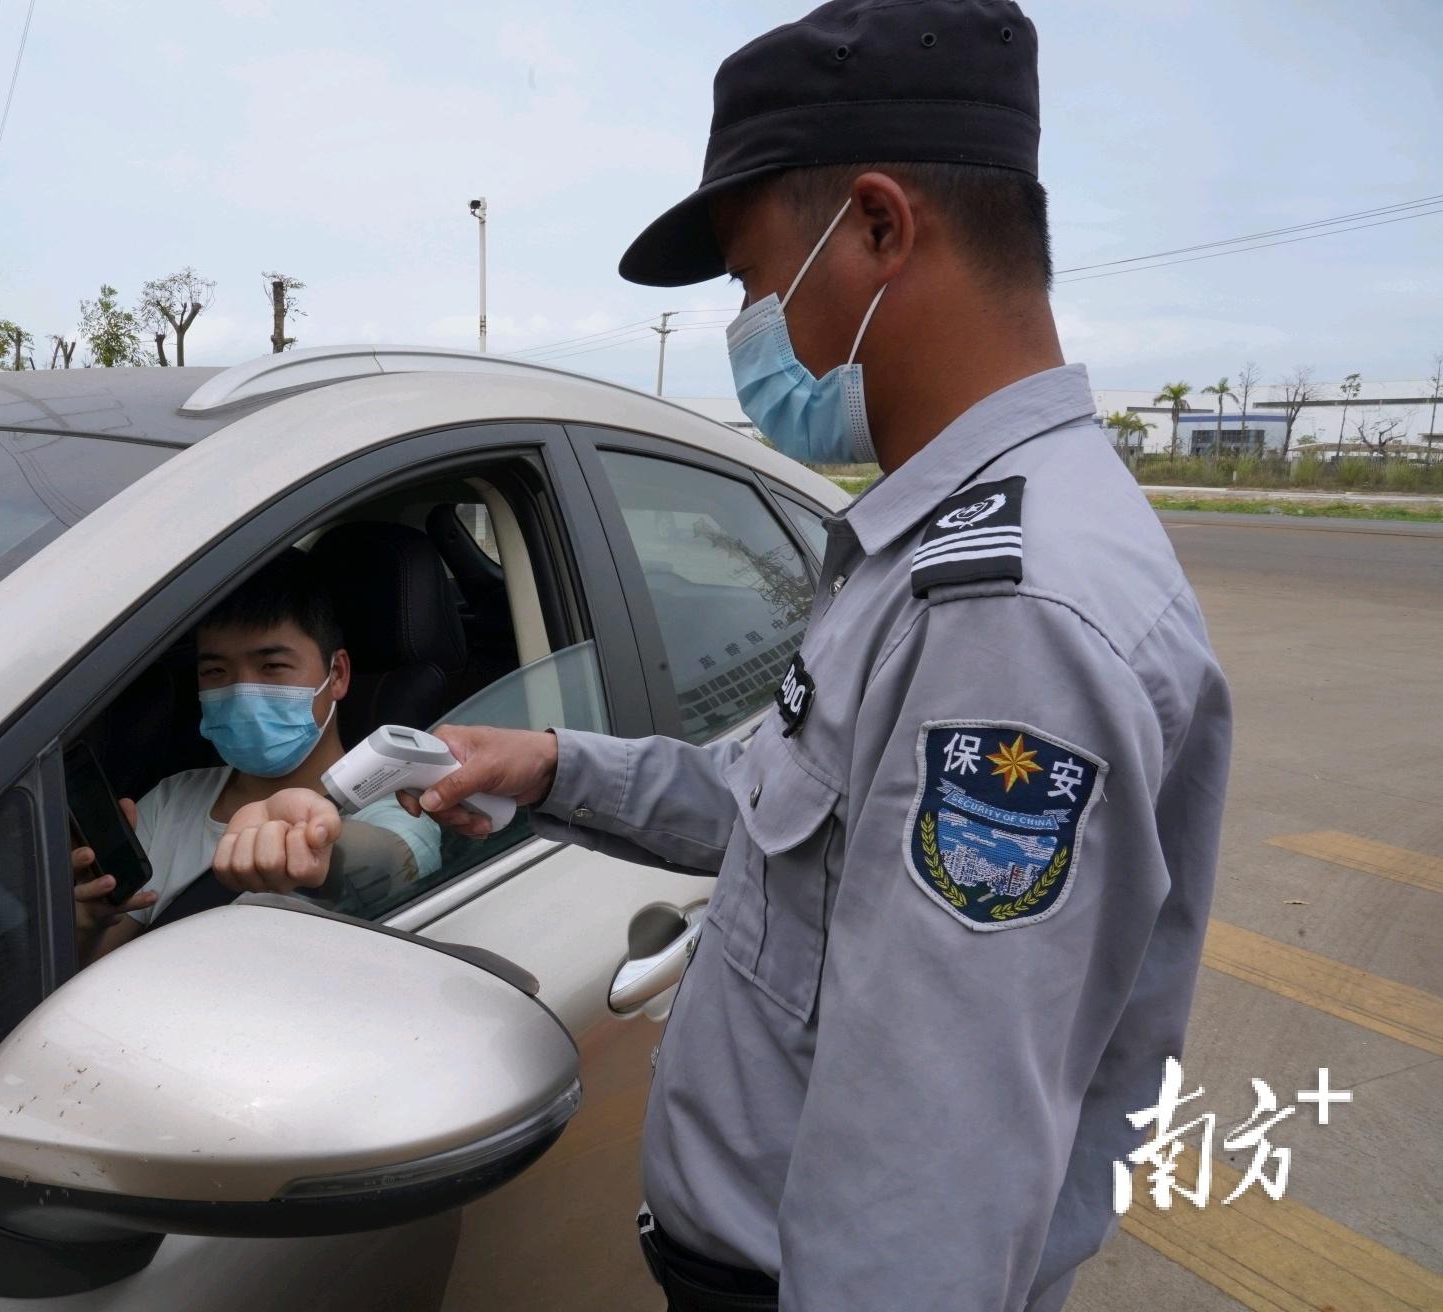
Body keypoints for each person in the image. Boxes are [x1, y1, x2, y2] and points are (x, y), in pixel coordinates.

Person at [403, 3, 1231, 1309]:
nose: (749, 329)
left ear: (883, 229)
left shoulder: (1007, 616)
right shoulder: (934, 550)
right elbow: (773, 809)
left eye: (747, 281)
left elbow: (931, 1176)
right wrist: (552, 761)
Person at [74, 549, 442, 963]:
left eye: (272, 666)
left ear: (337, 674)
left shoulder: (396, 805)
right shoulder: (171, 800)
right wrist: (90, 922)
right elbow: (106, 966)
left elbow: (396, 861)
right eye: (216, 672)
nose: (241, 692)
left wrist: (315, 844)